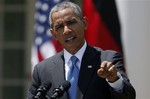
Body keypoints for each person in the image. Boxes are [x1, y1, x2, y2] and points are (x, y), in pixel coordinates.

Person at [27, 1, 136, 99]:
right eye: (59, 27)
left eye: (71, 22)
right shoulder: (42, 70)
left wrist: (114, 80)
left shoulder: (108, 59)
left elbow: (128, 96)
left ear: (84, 23)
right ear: (54, 34)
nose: (66, 30)